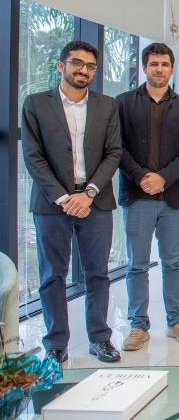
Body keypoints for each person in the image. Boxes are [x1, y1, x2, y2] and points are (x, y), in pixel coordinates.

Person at [21, 41, 123, 364]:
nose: (83, 70)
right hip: (53, 203)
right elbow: (33, 157)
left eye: (90, 66)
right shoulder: (36, 104)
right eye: (77, 63)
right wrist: (65, 197)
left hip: (95, 201)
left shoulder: (107, 106)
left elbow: (114, 152)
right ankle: (56, 344)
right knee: (53, 275)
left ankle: (99, 338)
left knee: (97, 274)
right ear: (60, 66)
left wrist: (89, 192)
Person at [117, 43, 179, 352]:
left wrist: (164, 177)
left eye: (165, 64)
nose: (159, 69)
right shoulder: (123, 103)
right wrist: (142, 177)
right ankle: (138, 325)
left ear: (171, 68)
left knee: (172, 262)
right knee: (137, 264)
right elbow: (117, 148)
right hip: (137, 196)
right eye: (154, 64)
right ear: (145, 67)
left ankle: (176, 320)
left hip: (173, 197)